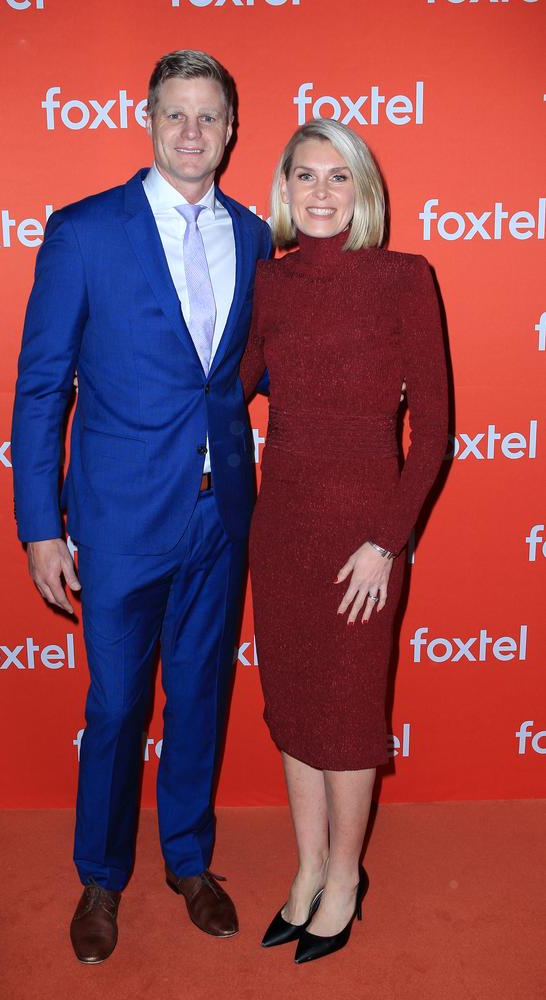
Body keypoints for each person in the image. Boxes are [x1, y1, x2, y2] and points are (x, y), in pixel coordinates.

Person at [11, 49, 272, 964]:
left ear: (232, 129)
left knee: (200, 693)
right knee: (119, 706)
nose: (192, 133)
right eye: (175, 115)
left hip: (219, 513)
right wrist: (42, 525)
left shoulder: (251, 233)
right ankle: (100, 879)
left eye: (209, 116)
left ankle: (190, 861)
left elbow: (250, 369)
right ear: (148, 120)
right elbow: (44, 386)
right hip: (119, 517)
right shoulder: (85, 232)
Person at [240, 119, 448, 965]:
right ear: (283, 190)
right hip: (279, 523)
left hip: (364, 533)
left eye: (337, 177)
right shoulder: (269, 283)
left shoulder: (406, 278)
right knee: (292, 707)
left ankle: (347, 879)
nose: (320, 193)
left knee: (349, 713)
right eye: (304, 177)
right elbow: (227, 385)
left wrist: (386, 542)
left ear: (363, 190)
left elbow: (433, 430)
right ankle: (308, 868)